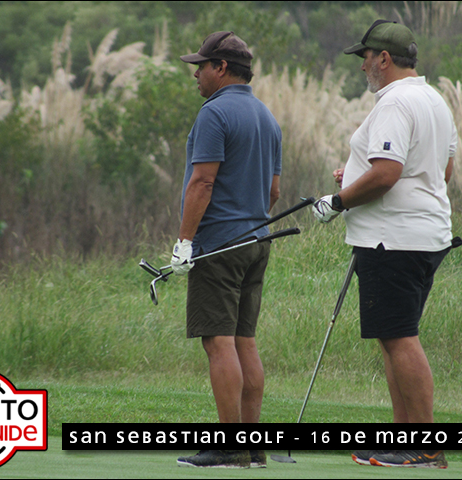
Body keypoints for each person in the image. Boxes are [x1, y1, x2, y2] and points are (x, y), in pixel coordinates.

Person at [312, 20, 457, 469]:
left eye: (366, 58)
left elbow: (388, 174)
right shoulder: (434, 99)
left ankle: (426, 447)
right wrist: (358, 175)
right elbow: (441, 171)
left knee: (400, 339)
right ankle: (402, 440)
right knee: (393, 338)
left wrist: (337, 200)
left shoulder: (394, 101)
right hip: (421, 235)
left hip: (392, 240)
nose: (363, 67)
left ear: (385, 59)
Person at [171, 31, 282, 469]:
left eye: (201, 66)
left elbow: (202, 182)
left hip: (218, 245)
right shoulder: (266, 116)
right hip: (257, 241)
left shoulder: (214, 113)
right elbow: (273, 191)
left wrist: (185, 241)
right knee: (244, 341)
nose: (196, 74)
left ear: (221, 68)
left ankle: (230, 446)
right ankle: (252, 447)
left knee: (219, 342)